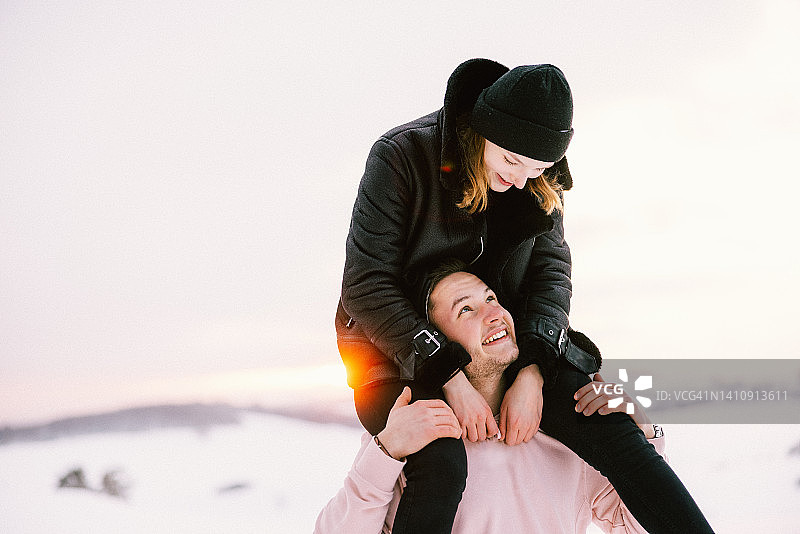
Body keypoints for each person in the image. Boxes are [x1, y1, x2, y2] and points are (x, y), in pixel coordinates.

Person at [336, 58, 714, 533]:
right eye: (512, 161)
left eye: (537, 168)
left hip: (502, 346)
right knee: (442, 462)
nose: (520, 179)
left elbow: (551, 273)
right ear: (480, 131)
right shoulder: (401, 156)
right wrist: (448, 375)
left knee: (612, 429)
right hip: (395, 349)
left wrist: (533, 370)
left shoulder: (538, 178)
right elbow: (364, 283)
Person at [318, 269, 666, 533]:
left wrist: (642, 431)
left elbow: (632, 525)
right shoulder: (414, 434)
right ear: (438, 343)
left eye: (491, 299)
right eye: (466, 310)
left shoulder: (566, 434)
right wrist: (386, 450)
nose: (493, 314)